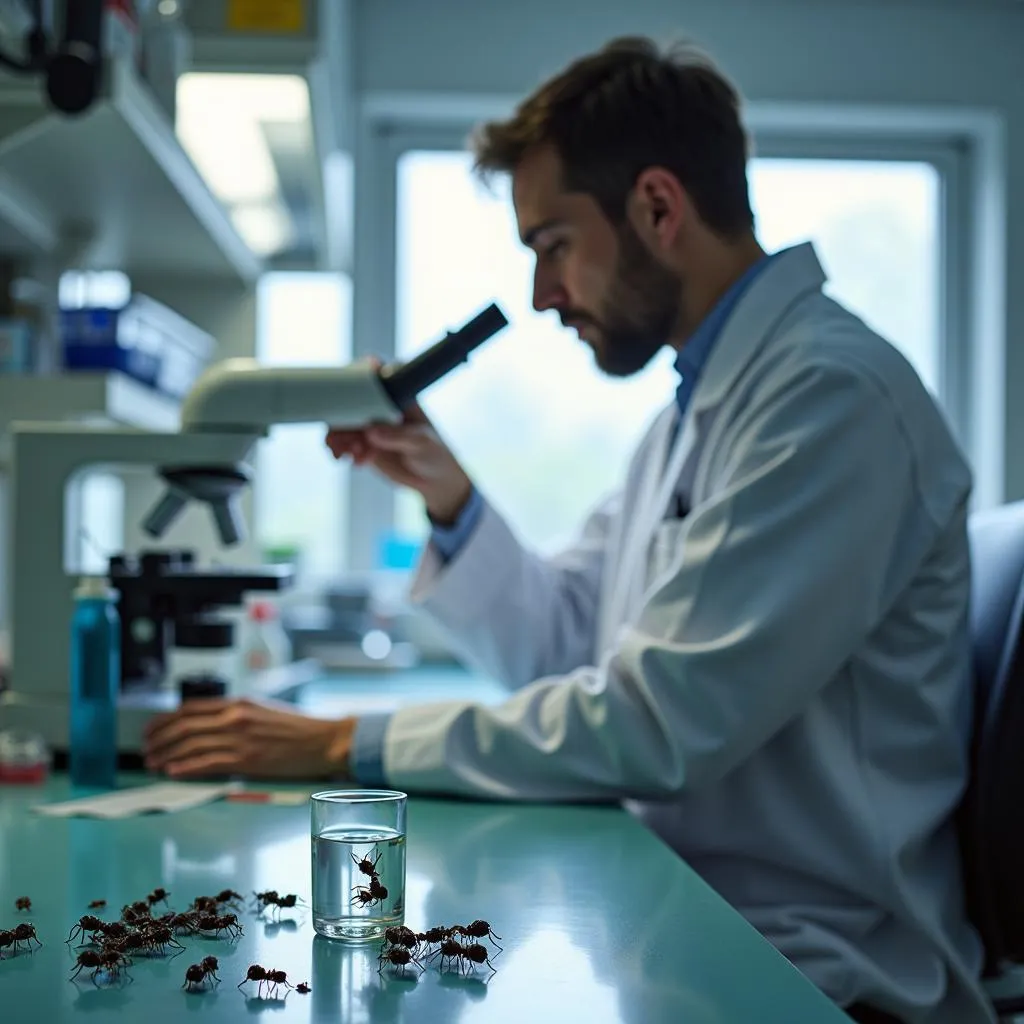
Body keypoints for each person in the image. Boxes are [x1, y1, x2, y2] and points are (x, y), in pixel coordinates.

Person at [143, 36, 994, 1024]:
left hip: (817, 971)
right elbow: (565, 645)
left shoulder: (829, 401)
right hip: (700, 920)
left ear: (658, 208)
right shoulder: (695, 411)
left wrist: (343, 743)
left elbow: (655, 725)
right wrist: (450, 499)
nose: (544, 296)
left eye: (552, 247)